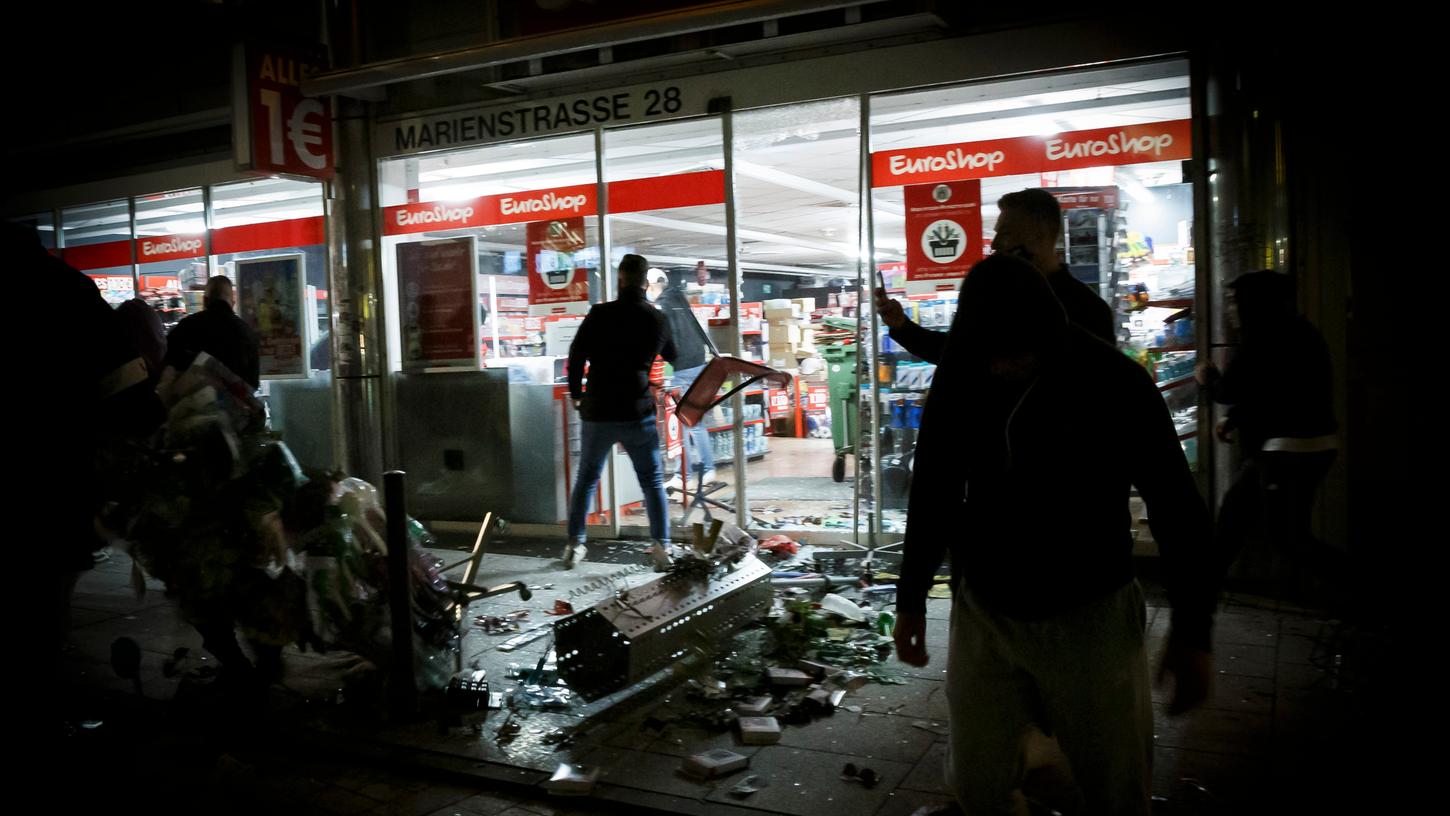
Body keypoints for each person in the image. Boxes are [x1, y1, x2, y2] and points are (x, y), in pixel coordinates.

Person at [893, 253, 1220, 815]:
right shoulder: (963, 371)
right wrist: (911, 600)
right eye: (989, 355)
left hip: (1091, 610)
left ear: (1049, 336)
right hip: (986, 608)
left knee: (1115, 789)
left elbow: (1177, 509)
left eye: (1015, 356)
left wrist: (1194, 632)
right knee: (978, 785)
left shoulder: (1114, 381)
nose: (1000, 368)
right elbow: (934, 490)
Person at [1198, 269, 1338, 596]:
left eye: (1234, 301)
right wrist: (1235, 418)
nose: (1230, 309)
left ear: (1253, 303)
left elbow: (1231, 389)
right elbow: (1278, 391)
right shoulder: (1300, 332)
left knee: (1289, 539)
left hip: (1288, 450)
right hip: (1302, 447)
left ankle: (1365, 589)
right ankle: (1205, 586)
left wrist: (1208, 377)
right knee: (1236, 511)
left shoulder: (1262, 337)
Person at [874, 188, 1117, 362]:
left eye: (1007, 233)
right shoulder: (998, 301)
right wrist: (903, 327)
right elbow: (956, 353)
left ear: (1040, 235)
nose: (996, 244)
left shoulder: (1087, 310)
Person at [565, 254, 677, 570]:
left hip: (598, 410)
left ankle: (574, 546)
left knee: (586, 479)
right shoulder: (657, 318)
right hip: (636, 411)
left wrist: (577, 396)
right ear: (646, 283)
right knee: (652, 482)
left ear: (620, 280)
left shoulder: (599, 314)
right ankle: (661, 547)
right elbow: (673, 354)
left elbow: (575, 359)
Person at [648, 267, 717, 487]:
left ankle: (686, 475)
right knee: (694, 423)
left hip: (683, 369)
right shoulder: (680, 299)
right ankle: (701, 471)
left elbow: (663, 339)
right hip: (699, 365)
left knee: (681, 425)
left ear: (652, 285)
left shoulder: (664, 306)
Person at [161, 275, 260, 389]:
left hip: (193, 404)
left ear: (205, 300)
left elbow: (168, 366)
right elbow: (253, 383)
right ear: (233, 303)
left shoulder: (186, 326)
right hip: (235, 405)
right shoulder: (246, 332)